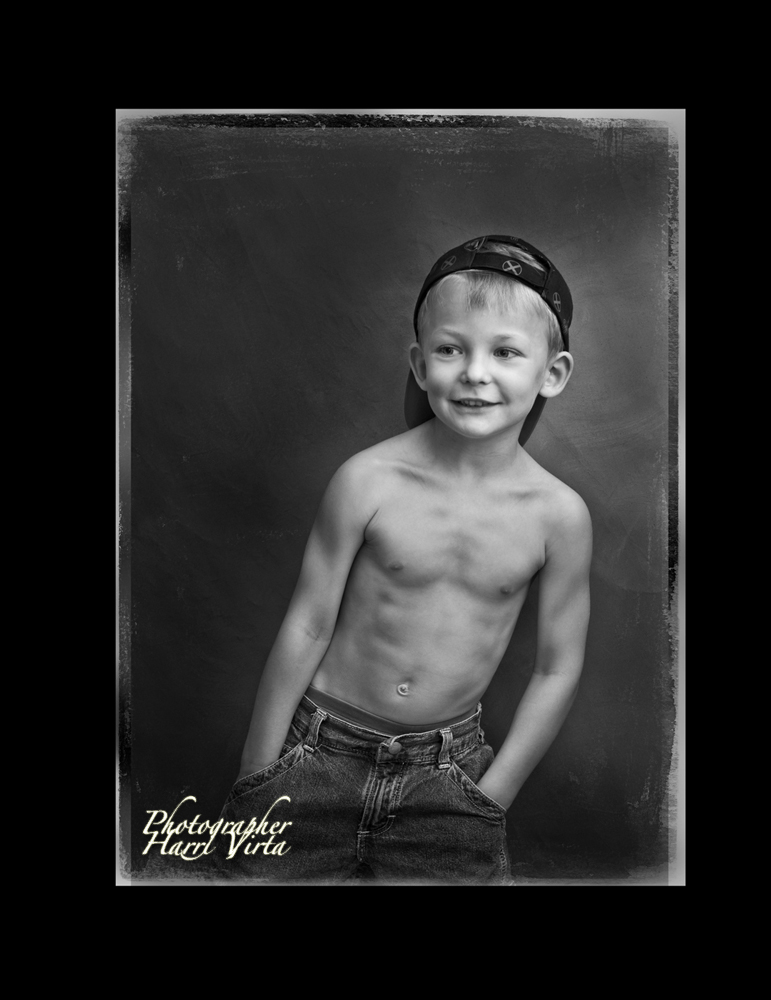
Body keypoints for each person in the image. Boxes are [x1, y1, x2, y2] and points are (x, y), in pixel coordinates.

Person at [213, 235, 592, 885]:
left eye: (505, 352)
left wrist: (490, 798)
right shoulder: (367, 481)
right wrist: (258, 772)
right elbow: (308, 624)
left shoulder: (559, 517)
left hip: (447, 774)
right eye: (451, 349)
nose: (475, 373)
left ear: (551, 374)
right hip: (318, 751)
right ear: (420, 364)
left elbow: (558, 667)